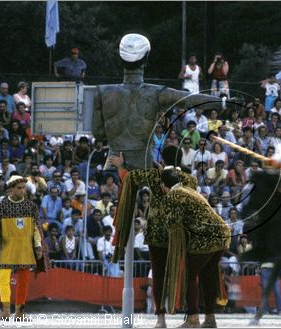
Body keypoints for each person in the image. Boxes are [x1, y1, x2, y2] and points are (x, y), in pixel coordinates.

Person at [93, 33, 225, 171]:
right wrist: (222, 102)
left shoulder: (102, 92)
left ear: (121, 59)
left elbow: (98, 133)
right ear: (146, 60)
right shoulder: (156, 93)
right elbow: (189, 99)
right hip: (143, 166)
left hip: (112, 167)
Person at [110, 145, 197, 328]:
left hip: (157, 232)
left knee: (158, 276)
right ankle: (192, 315)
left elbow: (129, 178)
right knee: (186, 274)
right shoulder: (190, 179)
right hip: (180, 233)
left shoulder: (153, 175)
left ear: (163, 160)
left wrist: (120, 165)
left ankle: (160, 318)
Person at [160, 168, 230, 328]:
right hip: (222, 232)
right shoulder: (189, 190)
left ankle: (193, 318)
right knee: (208, 274)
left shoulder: (173, 194)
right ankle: (210, 318)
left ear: (164, 185)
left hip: (205, 237)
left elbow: (173, 223)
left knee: (189, 276)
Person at [0, 175, 50, 321]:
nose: (22, 191)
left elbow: (36, 229)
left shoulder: (30, 206)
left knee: (24, 280)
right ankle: (6, 311)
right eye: (19, 188)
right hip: (7, 246)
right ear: (11, 189)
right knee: (3, 278)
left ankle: (20, 312)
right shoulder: (2, 206)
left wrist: (38, 245)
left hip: (25, 247)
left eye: (24, 188)